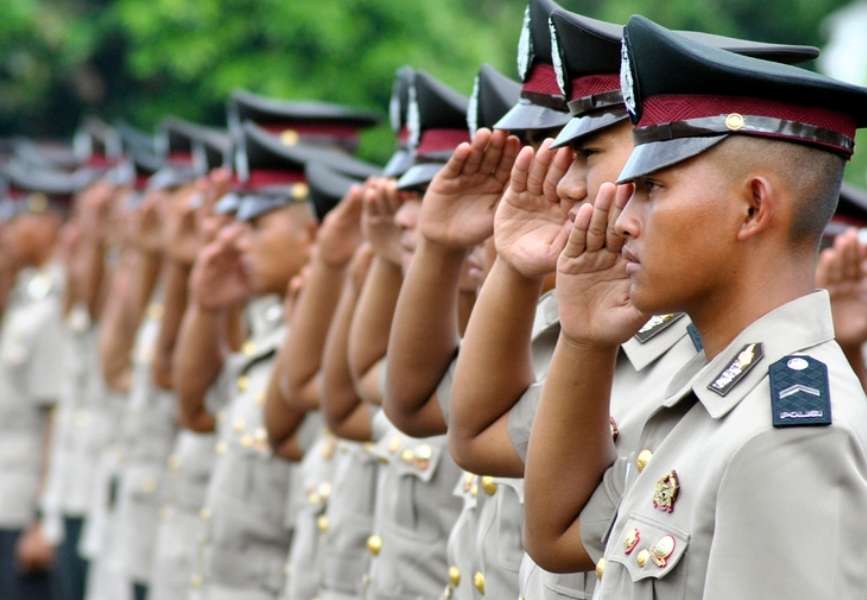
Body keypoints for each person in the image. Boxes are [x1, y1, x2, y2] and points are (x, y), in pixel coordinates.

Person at [523, 15, 867, 599]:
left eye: (653, 190)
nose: (624, 221)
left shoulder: (791, 434)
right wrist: (584, 339)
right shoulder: (706, 398)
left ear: (753, 207)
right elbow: (556, 535)